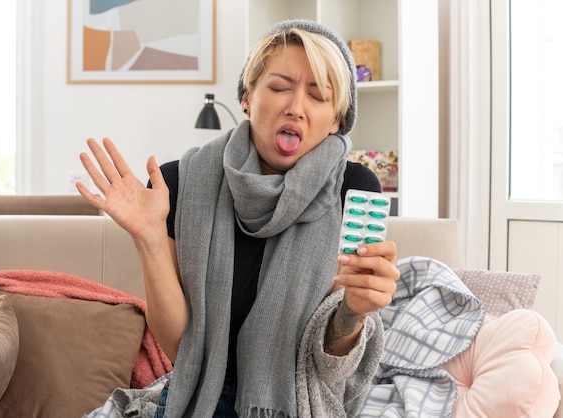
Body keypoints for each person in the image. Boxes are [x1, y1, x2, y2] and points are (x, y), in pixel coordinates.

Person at [77, 19, 400, 418]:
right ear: (247, 98)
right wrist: (149, 238)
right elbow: (182, 348)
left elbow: (331, 365)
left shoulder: (354, 189)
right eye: (279, 87)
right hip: (199, 395)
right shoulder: (179, 182)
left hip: (293, 402)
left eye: (318, 96)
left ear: (336, 120)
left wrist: (354, 311)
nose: (295, 107)